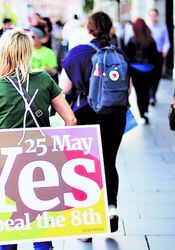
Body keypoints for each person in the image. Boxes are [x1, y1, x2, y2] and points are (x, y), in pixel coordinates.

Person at [0, 29, 77, 250]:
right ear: (28, 51)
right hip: (42, 160)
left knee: (10, 222)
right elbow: (70, 120)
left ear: (2, 53)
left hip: (7, 165)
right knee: (40, 221)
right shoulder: (44, 79)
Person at [59, 11, 130, 238]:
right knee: (109, 161)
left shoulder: (77, 54)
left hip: (85, 116)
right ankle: (111, 208)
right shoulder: (119, 54)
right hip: (115, 116)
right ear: (110, 29)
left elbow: (64, 90)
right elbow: (127, 91)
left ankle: (87, 226)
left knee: (83, 166)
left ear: (88, 29)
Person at [124, 18, 157, 124]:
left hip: (136, 71)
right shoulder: (151, 40)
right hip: (149, 71)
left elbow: (127, 57)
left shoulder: (131, 40)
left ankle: (142, 112)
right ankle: (145, 109)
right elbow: (155, 58)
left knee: (139, 93)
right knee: (146, 91)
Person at [147, 8, 170, 106]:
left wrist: (165, 49)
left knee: (157, 75)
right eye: (151, 15)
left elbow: (167, 42)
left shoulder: (162, 27)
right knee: (149, 75)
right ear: (149, 16)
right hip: (148, 55)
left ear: (157, 16)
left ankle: (153, 94)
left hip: (159, 54)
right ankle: (151, 96)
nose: (153, 17)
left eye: (154, 15)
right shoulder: (146, 27)